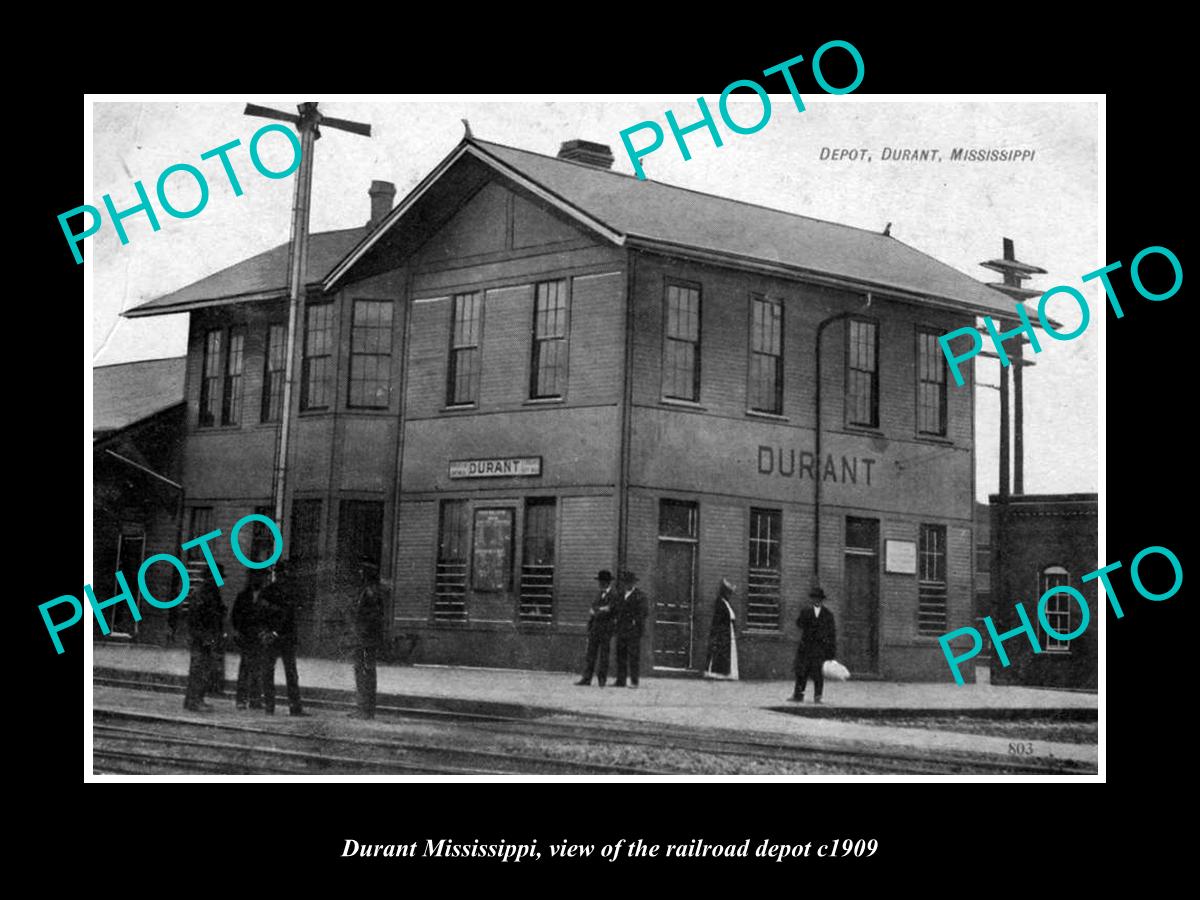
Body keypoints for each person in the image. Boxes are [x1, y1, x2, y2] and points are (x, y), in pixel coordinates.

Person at [260, 562, 307, 717]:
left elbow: (292, 614)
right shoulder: (268, 592)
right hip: (274, 637)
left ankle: (294, 707)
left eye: (285, 574)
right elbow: (260, 613)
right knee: (269, 671)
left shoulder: (291, 592)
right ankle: (270, 705)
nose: (283, 577)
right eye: (280, 573)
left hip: (285, 637)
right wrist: (266, 632)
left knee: (290, 672)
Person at [183, 565, 226, 711]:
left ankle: (197, 699)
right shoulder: (202, 593)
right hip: (202, 638)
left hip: (209, 637)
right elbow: (195, 618)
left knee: (204, 670)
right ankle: (194, 701)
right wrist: (203, 636)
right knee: (199, 669)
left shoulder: (212, 593)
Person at [350, 557, 386, 719]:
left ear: (366, 574)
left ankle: (365, 709)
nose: (359, 573)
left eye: (361, 571)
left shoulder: (370, 592)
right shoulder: (369, 590)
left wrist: (360, 634)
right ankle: (364, 708)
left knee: (364, 672)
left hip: (365, 640)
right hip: (365, 639)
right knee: (365, 672)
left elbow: (372, 617)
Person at [791, 586, 837, 703]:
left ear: (822, 600)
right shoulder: (806, 611)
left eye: (818, 598)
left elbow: (832, 634)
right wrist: (803, 616)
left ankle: (818, 696)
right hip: (806, 647)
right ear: (811, 599)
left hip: (820, 648)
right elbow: (799, 624)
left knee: (818, 673)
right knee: (802, 671)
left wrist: (831, 652)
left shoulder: (828, 615)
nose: (816, 600)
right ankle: (798, 695)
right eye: (814, 598)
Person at [231, 570, 267, 710]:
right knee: (245, 669)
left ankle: (255, 700)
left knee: (258, 669)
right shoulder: (242, 596)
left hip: (259, 638)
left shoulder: (266, 596)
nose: (257, 579)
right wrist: (238, 631)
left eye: (260, 576)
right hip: (246, 637)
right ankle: (241, 700)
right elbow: (235, 615)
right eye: (255, 576)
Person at [575, 570, 617, 687]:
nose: (599, 584)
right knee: (590, 654)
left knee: (604, 655)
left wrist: (597, 611)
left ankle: (601, 679)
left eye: (601, 582)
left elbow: (610, 610)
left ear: (607, 582)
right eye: (599, 582)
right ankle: (586, 678)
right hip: (595, 628)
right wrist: (596, 612)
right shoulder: (598, 594)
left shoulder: (614, 595)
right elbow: (594, 608)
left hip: (606, 629)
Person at [613, 570, 648, 688]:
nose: (628, 584)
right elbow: (616, 609)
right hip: (621, 629)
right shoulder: (620, 595)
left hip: (633, 630)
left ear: (634, 583)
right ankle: (620, 680)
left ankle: (634, 681)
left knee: (633, 656)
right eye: (625, 582)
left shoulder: (640, 596)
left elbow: (644, 612)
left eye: (630, 582)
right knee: (620, 655)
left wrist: (635, 621)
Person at [703, 578, 739, 680]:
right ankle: (717, 673)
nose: (730, 595)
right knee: (720, 652)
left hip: (727, 631)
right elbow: (719, 620)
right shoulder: (720, 603)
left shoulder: (725, 603)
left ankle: (726, 673)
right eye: (728, 592)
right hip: (722, 632)